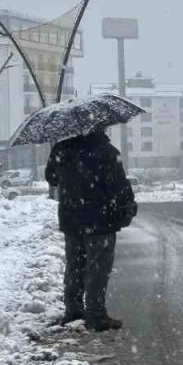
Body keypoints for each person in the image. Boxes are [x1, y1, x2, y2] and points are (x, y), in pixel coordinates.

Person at [44, 127, 138, 331]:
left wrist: (71, 178)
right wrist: (128, 207)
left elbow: (51, 178)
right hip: (100, 220)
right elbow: (119, 187)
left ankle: (73, 311)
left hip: (71, 219)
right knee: (97, 269)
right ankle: (95, 315)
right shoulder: (107, 152)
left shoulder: (61, 149)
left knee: (74, 267)